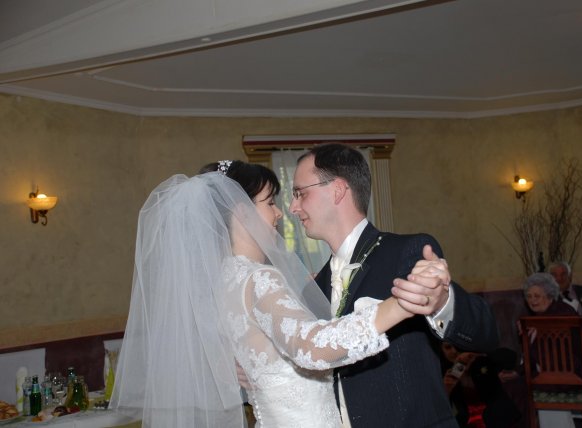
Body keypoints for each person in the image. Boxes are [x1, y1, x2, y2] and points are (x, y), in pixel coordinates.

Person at [110, 160, 427, 428]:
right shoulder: (258, 279)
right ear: (242, 211)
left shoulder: (220, 283)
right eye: (270, 202)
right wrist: (399, 305)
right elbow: (310, 346)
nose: (280, 214)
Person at [289, 143, 499, 427]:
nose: (293, 207)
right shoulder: (313, 288)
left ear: (337, 190)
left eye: (300, 193)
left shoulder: (406, 252)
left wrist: (442, 303)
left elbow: (487, 334)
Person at [519, 272, 581, 428]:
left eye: (537, 296)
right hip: (548, 374)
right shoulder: (535, 317)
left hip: (567, 375)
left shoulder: (563, 312)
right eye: (529, 296)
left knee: (516, 391)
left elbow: (558, 354)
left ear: (550, 295)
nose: (532, 300)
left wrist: (538, 330)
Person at [440, 342, 521, 428]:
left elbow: (510, 357)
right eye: (448, 347)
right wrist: (446, 390)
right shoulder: (447, 373)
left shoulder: (481, 362)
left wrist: (479, 354)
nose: (454, 351)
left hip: (499, 420)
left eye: (457, 345)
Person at [548, 261, 582, 327]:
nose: (559, 278)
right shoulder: (547, 298)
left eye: (563, 274)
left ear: (570, 276)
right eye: (554, 275)